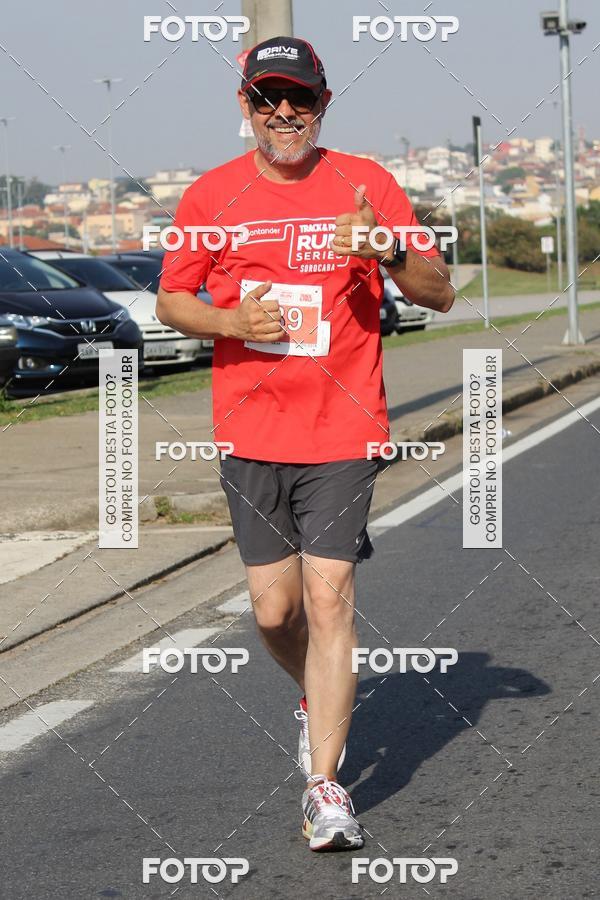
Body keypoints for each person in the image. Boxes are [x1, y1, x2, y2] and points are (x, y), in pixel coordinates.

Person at [156, 35, 454, 852]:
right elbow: (171, 302)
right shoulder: (209, 197)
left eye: (300, 99)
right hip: (251, 429)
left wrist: (387, 250)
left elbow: (442, 294)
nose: (283, 113)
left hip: (343, 430)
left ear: (324, 103)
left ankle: (327, 787)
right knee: (275, 609)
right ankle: (314, 697)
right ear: (245, 104)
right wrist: (229, 321)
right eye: (266, 98)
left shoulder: (368, 184)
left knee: (328, 598)